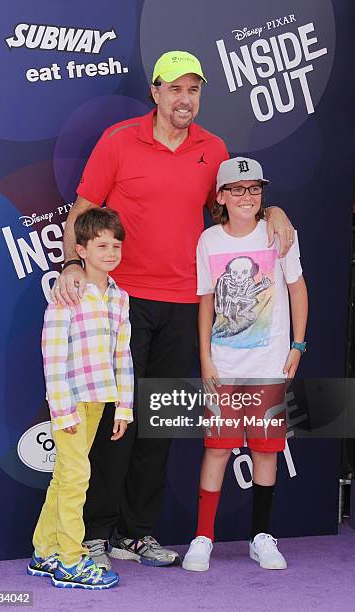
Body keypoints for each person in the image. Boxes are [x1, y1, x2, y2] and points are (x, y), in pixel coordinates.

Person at [51, 50, 295, 568]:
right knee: (119, 417)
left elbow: (235, 203)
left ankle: (137, 533)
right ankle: (96, 532)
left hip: (186, 305)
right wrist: (72, 264)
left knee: (157, 423)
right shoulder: (119, 140)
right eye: (175, 89)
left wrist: (276, 209)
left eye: (194, 90)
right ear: (156, 93)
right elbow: (83, 210)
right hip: (123, 302)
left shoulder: (214, 147)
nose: (185, 100)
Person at [182, 157, 308, 572]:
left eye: (254, 189)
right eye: (237, 189)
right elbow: (205, 300)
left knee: (266, 452)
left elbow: (296, 289)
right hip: (223, 366)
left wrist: (298, 345)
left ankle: (262, 536)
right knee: (217, 449)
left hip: (270, 365)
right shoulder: (209, 241)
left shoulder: (279, 234)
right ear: (220, 196)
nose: (247, 197)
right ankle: (203, 537)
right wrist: (204, 356)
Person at [28, 207, 133, 589]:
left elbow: (123, 354)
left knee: (64, 477)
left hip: (100, 399)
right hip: (71, 402)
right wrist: (62, 408)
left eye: (116, 245)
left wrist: (124, 405)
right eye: (101, 245)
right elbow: (52, 355)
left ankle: (45, 550)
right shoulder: (67, 294)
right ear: (81, 250)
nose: (110, 252)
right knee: (76, 478)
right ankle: (71, 560)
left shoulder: (120, 298)